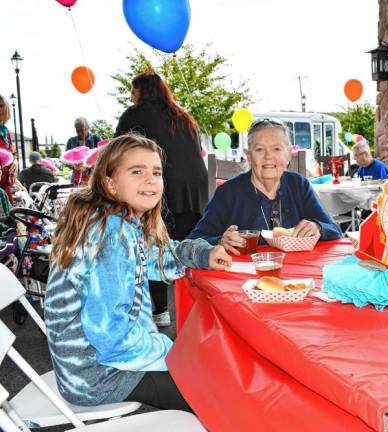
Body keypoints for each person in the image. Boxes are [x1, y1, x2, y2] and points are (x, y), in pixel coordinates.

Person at [45, 133, 232, 411]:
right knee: (223, 395)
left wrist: (204, 254)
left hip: (98, 366)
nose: (150, 179)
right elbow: (111, 339)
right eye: (137, 171)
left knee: (207, 362)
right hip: (100, 376)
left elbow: (159, 257)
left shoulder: (119, 221)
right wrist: (171, 351)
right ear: (110, 183)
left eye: (156, 172)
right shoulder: (110, 234)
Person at [116, 69, 209, 327]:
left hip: (164, 191)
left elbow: (117, 152)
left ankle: (160, 309)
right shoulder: (183, 117)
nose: (131, 96)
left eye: (133, 90)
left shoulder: (134, 115)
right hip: (195, 194)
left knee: (153, 248)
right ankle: (197, 308)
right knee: (187, 250)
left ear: (142, 91)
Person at [188, 118, 341, 252]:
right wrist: (220, 241)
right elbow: (193, 240)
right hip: (244, 279)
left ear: (288, 154)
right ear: (249, 156)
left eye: (276, 149)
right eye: (260, 149)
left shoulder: (299, 185)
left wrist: (317, 227)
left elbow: (334, 230)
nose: (268, 156)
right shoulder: (228, 193)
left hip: (297, 279)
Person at [0, 96, 16, 204]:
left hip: (5, 184)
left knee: (12, 216)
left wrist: (14, 164)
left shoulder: (6, 132)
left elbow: (10, 156)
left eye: (1, 106)